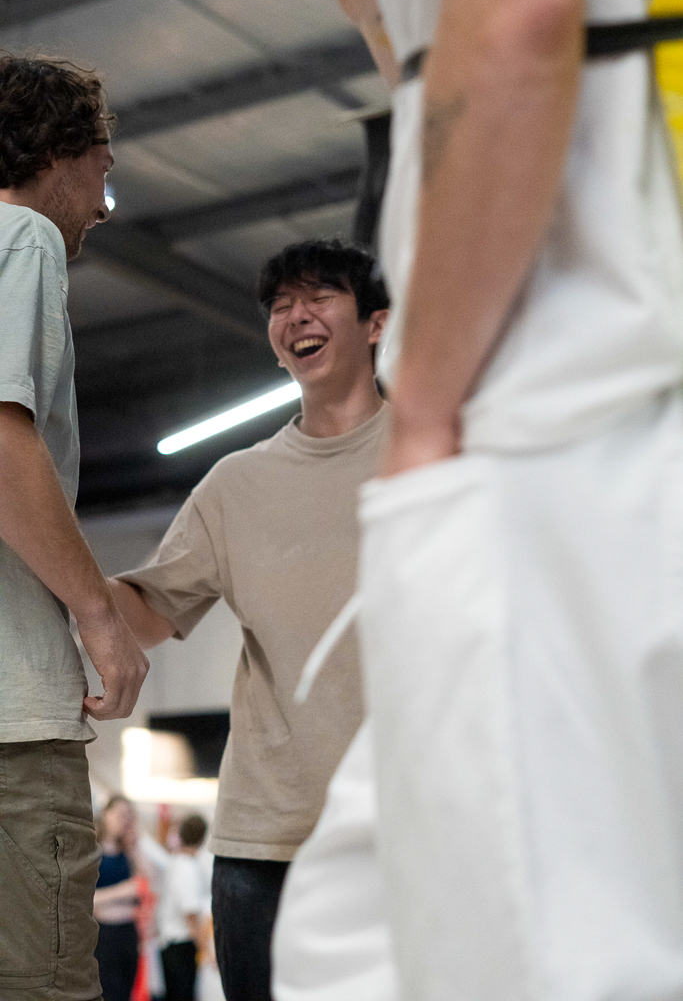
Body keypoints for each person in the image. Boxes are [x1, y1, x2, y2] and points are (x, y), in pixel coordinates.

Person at [273, 0, 683, 1000]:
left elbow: (517, 12)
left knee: (485, 944)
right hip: (605, 417)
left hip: (556, 417)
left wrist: (419, 407)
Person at [108, 238, 390, 1001]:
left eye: (319, 296)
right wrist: (56, 571)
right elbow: (147, 613)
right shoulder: (236, 484)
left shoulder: (431, 451)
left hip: (411, 826)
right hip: (265, 844)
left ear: (376, 323)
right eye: (279, 305)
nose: (296, 316)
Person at [0, 54, 149, 1001]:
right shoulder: (20, 235)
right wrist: (99, 616)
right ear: (59, 151)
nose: (104, 199)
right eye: (103, 164)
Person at [94, 796, 147, 1001]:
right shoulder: (94, 851)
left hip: (128, 931)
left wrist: (134, 847)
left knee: (125, 992)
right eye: (120, 814)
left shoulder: (127, 852)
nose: (124, 820)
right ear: (106, 814)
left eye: (128, 816)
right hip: (103, 934)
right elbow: (85, 900)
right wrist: (121, 892)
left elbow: (145, 884)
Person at [158, 813, 210, 1001]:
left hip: (172, 944)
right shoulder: (188, 868)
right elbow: (190, 914)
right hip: (180, 946)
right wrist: (206, 949)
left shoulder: (177, 862)